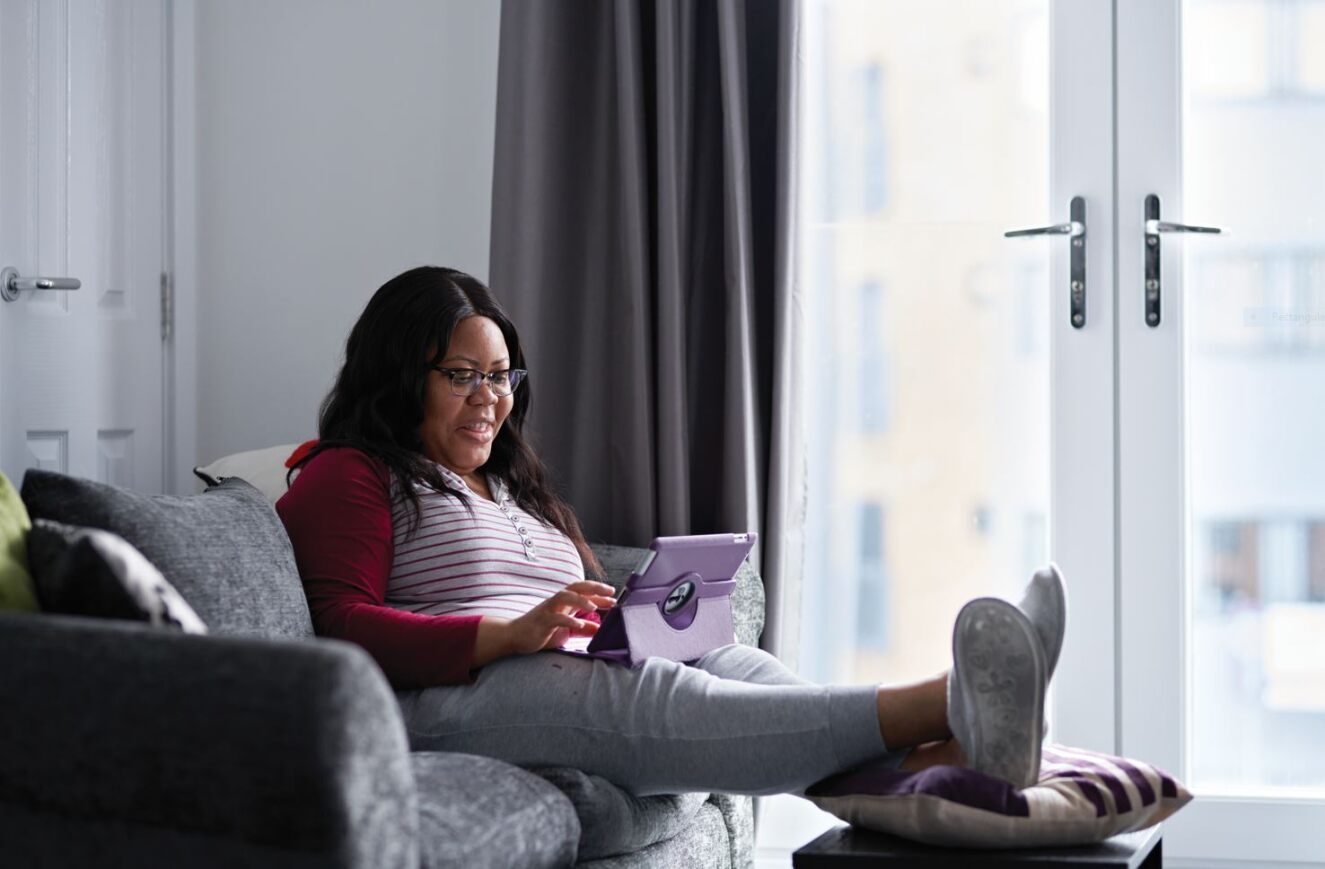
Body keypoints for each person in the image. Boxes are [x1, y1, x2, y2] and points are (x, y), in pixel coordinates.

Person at [276, 265, 1066, 798]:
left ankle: (954, 765)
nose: (490, 397)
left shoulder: (511, 485)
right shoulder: (348, 472)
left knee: (732, 660)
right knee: (657, 693)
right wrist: (504, 636)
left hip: (548, 663)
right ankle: (952, 701)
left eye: (500, 376)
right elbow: (339, 627)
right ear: (398, 375)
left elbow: (575, 600)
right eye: (461, 374)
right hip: (448, 700)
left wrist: (643, 611)